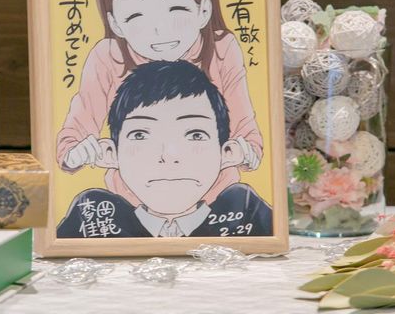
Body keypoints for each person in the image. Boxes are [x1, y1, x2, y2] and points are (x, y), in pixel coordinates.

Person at [57, 0, 264, 209]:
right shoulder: (108, 56)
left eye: (177, 8)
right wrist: (78, 153)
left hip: (214, 202)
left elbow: (247, 134)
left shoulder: (220, 48)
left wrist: (243, 151)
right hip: (133, 203)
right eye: (135, 15)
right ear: (115, 23)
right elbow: (73, 137)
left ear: (204, 10)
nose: (159, 30)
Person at [57, 61, 272, 238]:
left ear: (227, 153)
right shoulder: (91, 215)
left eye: (195, 135)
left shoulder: (245, 211)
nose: (169, 156)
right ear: (110, 154)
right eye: (140, 135)